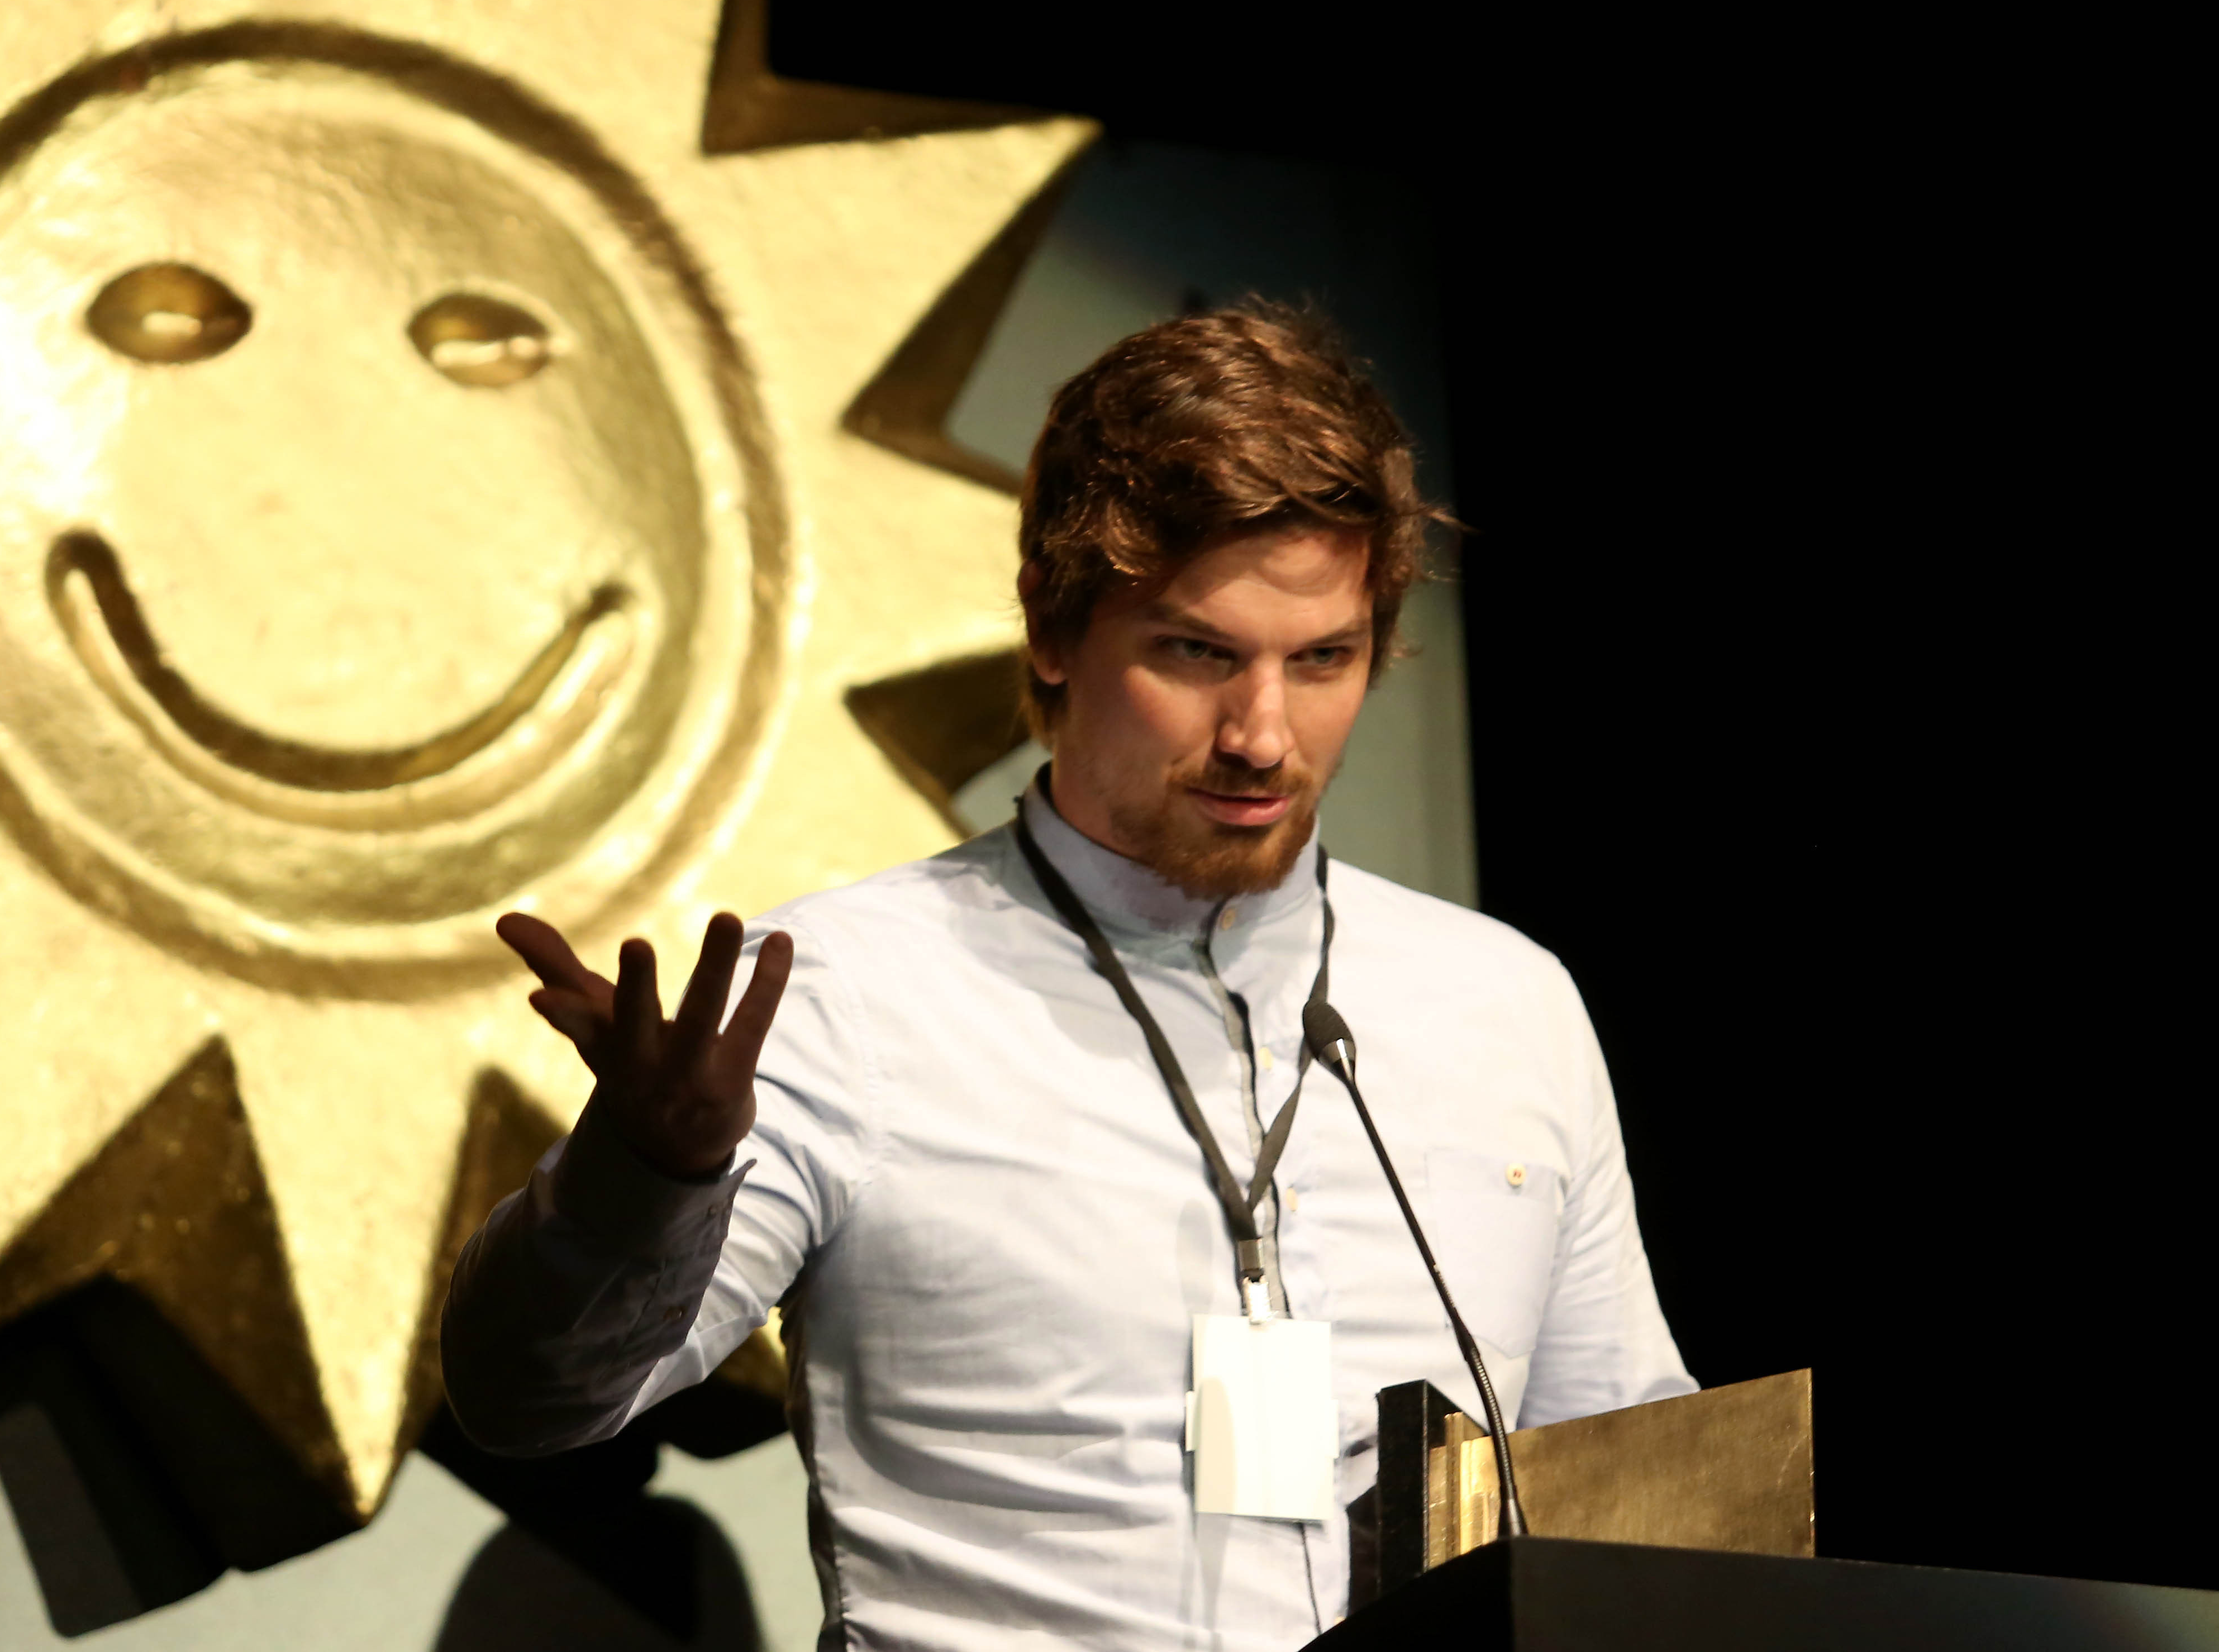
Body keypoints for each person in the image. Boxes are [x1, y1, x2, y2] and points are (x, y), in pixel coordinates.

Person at [442, 303, 1693, 1649]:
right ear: (1052, 627)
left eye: (1322, 658)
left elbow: (1630, 1494)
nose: (1263, 734)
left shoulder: (1505, 1003)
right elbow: (533, 1400)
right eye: (1198, 653)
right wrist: (646, 1175)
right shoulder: (845, 997)